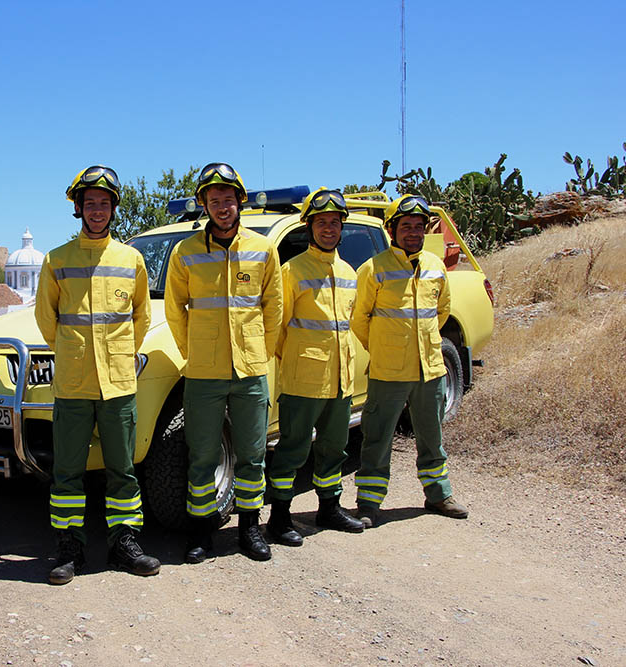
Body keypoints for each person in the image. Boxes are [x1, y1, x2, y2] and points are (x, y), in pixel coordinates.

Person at [35, 165, 160, 585]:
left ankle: (124, 543)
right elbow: (46, 320)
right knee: (68, 471)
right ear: (78, 208)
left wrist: (122, 354)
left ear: (113, 209)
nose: (97, 211)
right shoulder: (57, 260)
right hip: (73, 384)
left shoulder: (131, 259)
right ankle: (70, 549)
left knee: (122, 469)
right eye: (90, 204)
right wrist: (73, 354)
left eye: (104, 204)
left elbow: (141, 317)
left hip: (120, 383)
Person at [164, 162, 282, 563]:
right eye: (213, 200)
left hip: (250, 371)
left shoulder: (263, 249)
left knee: (252, 453)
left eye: (228, 199)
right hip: (203, 372)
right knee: (202, 455)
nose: (222, 206)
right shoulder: (186, 252)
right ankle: (202, 533)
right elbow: (175, 310)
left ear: (239, 201)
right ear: (204, 205)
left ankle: (250, 529)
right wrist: (193, 351)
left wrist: (259, 351)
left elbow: (274, 307)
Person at [350, 194, 468, 528]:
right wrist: (385, 348)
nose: (413, 232)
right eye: (406, 226)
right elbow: (360, 319)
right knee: (377, 437)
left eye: (418, 226)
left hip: (430, 368)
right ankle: (369, 504)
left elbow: (441, 311)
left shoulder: (434, 266)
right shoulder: (373, 269)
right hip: (388, 370)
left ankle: (438, 494)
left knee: (432, 436)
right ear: (392, 230)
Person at [268, 188, 366, 545]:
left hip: (341, 380)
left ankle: (329, 508)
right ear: (308, 226)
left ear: (342, 227)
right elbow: (277, 329)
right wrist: (298, 361)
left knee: (334, 448)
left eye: (334, 222)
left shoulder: (348, 271)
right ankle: (279, 517)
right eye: (321, 222)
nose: (328, 229)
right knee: (292, 450)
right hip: (303, 381)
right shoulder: (291, 271)